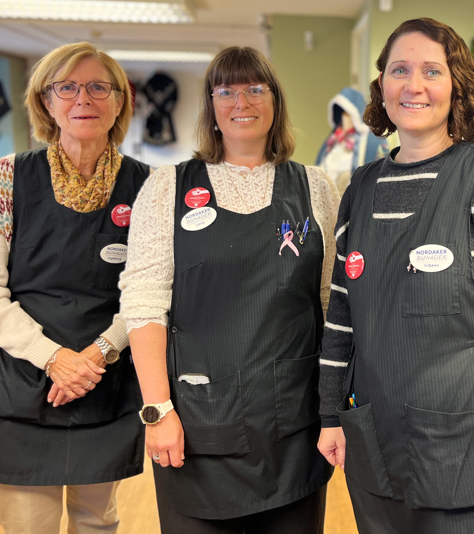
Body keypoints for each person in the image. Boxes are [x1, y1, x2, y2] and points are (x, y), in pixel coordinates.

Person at [317, 17, 474, 534]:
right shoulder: (361, 188)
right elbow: (342, 313)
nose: (415, 85)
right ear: (382, 85)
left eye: (432, 70)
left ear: (458, 86)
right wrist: (330, 411)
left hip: (471, 454)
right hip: (376, 444)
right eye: (400, 70)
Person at [120, 46, 340, 533]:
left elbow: (331, 304)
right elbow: (144, 305)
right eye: (226, 90)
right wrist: (156, 411)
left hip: (293, 427)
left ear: (275, 100)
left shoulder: (315, 188)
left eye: (255, 88)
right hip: (198, 427)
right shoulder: (167, 187)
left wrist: (336, 410)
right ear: (211, 106)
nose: (242, 101)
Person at [0, 42, 151, 533]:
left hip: (103, 380)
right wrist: (55, 359)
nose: (83, 97)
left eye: (98, 87)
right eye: (67, 86)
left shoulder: (149, 186)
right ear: (46, 101)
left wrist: (97, 355)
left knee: (97, 522)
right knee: (28, 525)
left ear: (119, 100)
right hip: (21, 380)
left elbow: (150, 291)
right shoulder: (8, 176)